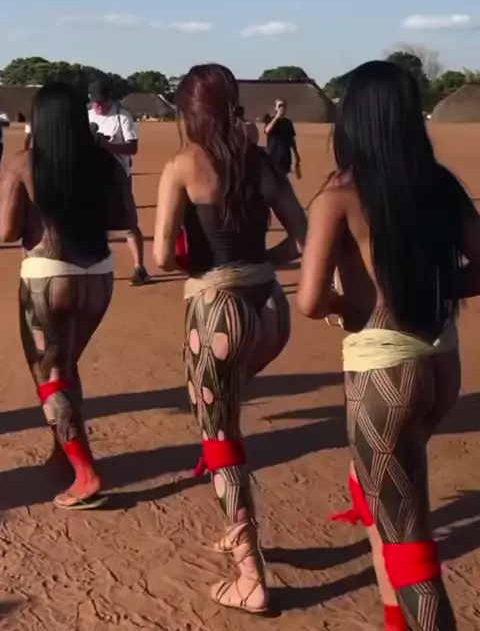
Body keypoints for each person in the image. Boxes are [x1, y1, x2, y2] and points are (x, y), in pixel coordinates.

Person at [297, 60, 480, 631]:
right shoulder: (440, 184)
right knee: (392, 500)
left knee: (408, 540)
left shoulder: (339, 195)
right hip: (440, 361)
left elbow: (309, 299)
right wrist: (432, 288)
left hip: (383, 372)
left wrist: (348, 307)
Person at [153, 63, 306, 615]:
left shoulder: (182, 165)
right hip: (271, 309)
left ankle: (249, 573)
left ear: (187, 113)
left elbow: (161, 256)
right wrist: (260, 261)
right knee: (225, 418)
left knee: (219, 435)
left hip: (218, 311)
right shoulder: (259, 160)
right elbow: (303, 235)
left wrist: (203, 266)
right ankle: (235, 525)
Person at [0, 82, 137, 509]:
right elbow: (125, 218)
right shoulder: (106, 162)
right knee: (65, 367)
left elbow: (6, 230)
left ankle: (84, 472)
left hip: (48, 276)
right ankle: (64, 452)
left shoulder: (24, 163)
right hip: (98, 277)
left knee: (50, 375)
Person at [88, 78, 149, 286]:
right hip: (93, 176)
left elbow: (133, 148)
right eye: (94, 101)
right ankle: (96, 267)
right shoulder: (87, 116)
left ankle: (140, 268)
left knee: (129, 223)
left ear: (109, 99)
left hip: (118, 176)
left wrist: (107, 145)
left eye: (101, 101)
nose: (98, 105)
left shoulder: (122, 117)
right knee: (94, 223)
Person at [264, 99, 300, 176]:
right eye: (279, 106)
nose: (281, 108)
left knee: (283, 179)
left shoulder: (288, 123)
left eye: (283, 106)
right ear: (275, 108)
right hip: (272, 158)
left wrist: (296, 155)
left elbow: (292, 140)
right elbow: (267, 130)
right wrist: (276, 117)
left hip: (285, 158)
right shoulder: (270, 120)